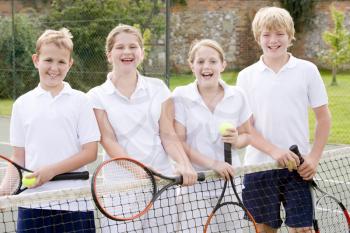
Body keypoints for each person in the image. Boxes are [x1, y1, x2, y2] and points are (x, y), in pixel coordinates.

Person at [87, 24, 197, 232]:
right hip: (121, 188)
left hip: (162, 183)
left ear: (141, 53)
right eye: (120, 47)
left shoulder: (158, 88)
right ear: (109, 55)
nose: (127, 52)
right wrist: (143, 173)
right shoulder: (95, 96)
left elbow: (168, 133)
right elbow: (109, 141)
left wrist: (184, 163)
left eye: (133, 46)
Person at [236, 6, 331, 233]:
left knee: (303, 230)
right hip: (259, 167)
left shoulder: (307, 70)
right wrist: (274, 151)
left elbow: (324, 118)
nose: (273, 40)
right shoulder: (246, 76)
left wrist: (314, 158)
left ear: (290, 35)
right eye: (266, 34)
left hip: (297, 168)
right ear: (258, 38)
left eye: (280, 34)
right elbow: (245, 127)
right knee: (264, 230)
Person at [8, 28, 100, 232]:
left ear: (70, 64)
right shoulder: (22, 104)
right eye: (48, 60)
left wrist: (51, 171)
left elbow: (90, 152)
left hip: (74, 202)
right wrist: (5, 190)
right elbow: (18, 157)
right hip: (32, 203)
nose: (54, 68)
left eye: (61, 62)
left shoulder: (81, 101)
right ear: (36, 60)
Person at [172, 39, 252, 232]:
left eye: (212, 61)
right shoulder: (180, 95)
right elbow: (179, 142)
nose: (206, 67)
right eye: (200, 62)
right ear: (192, 65)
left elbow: (247, 135)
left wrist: (236, 140)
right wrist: (213, 164)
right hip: (193, 185)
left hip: (230, 183)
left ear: (222, 65)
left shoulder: (238, 95)